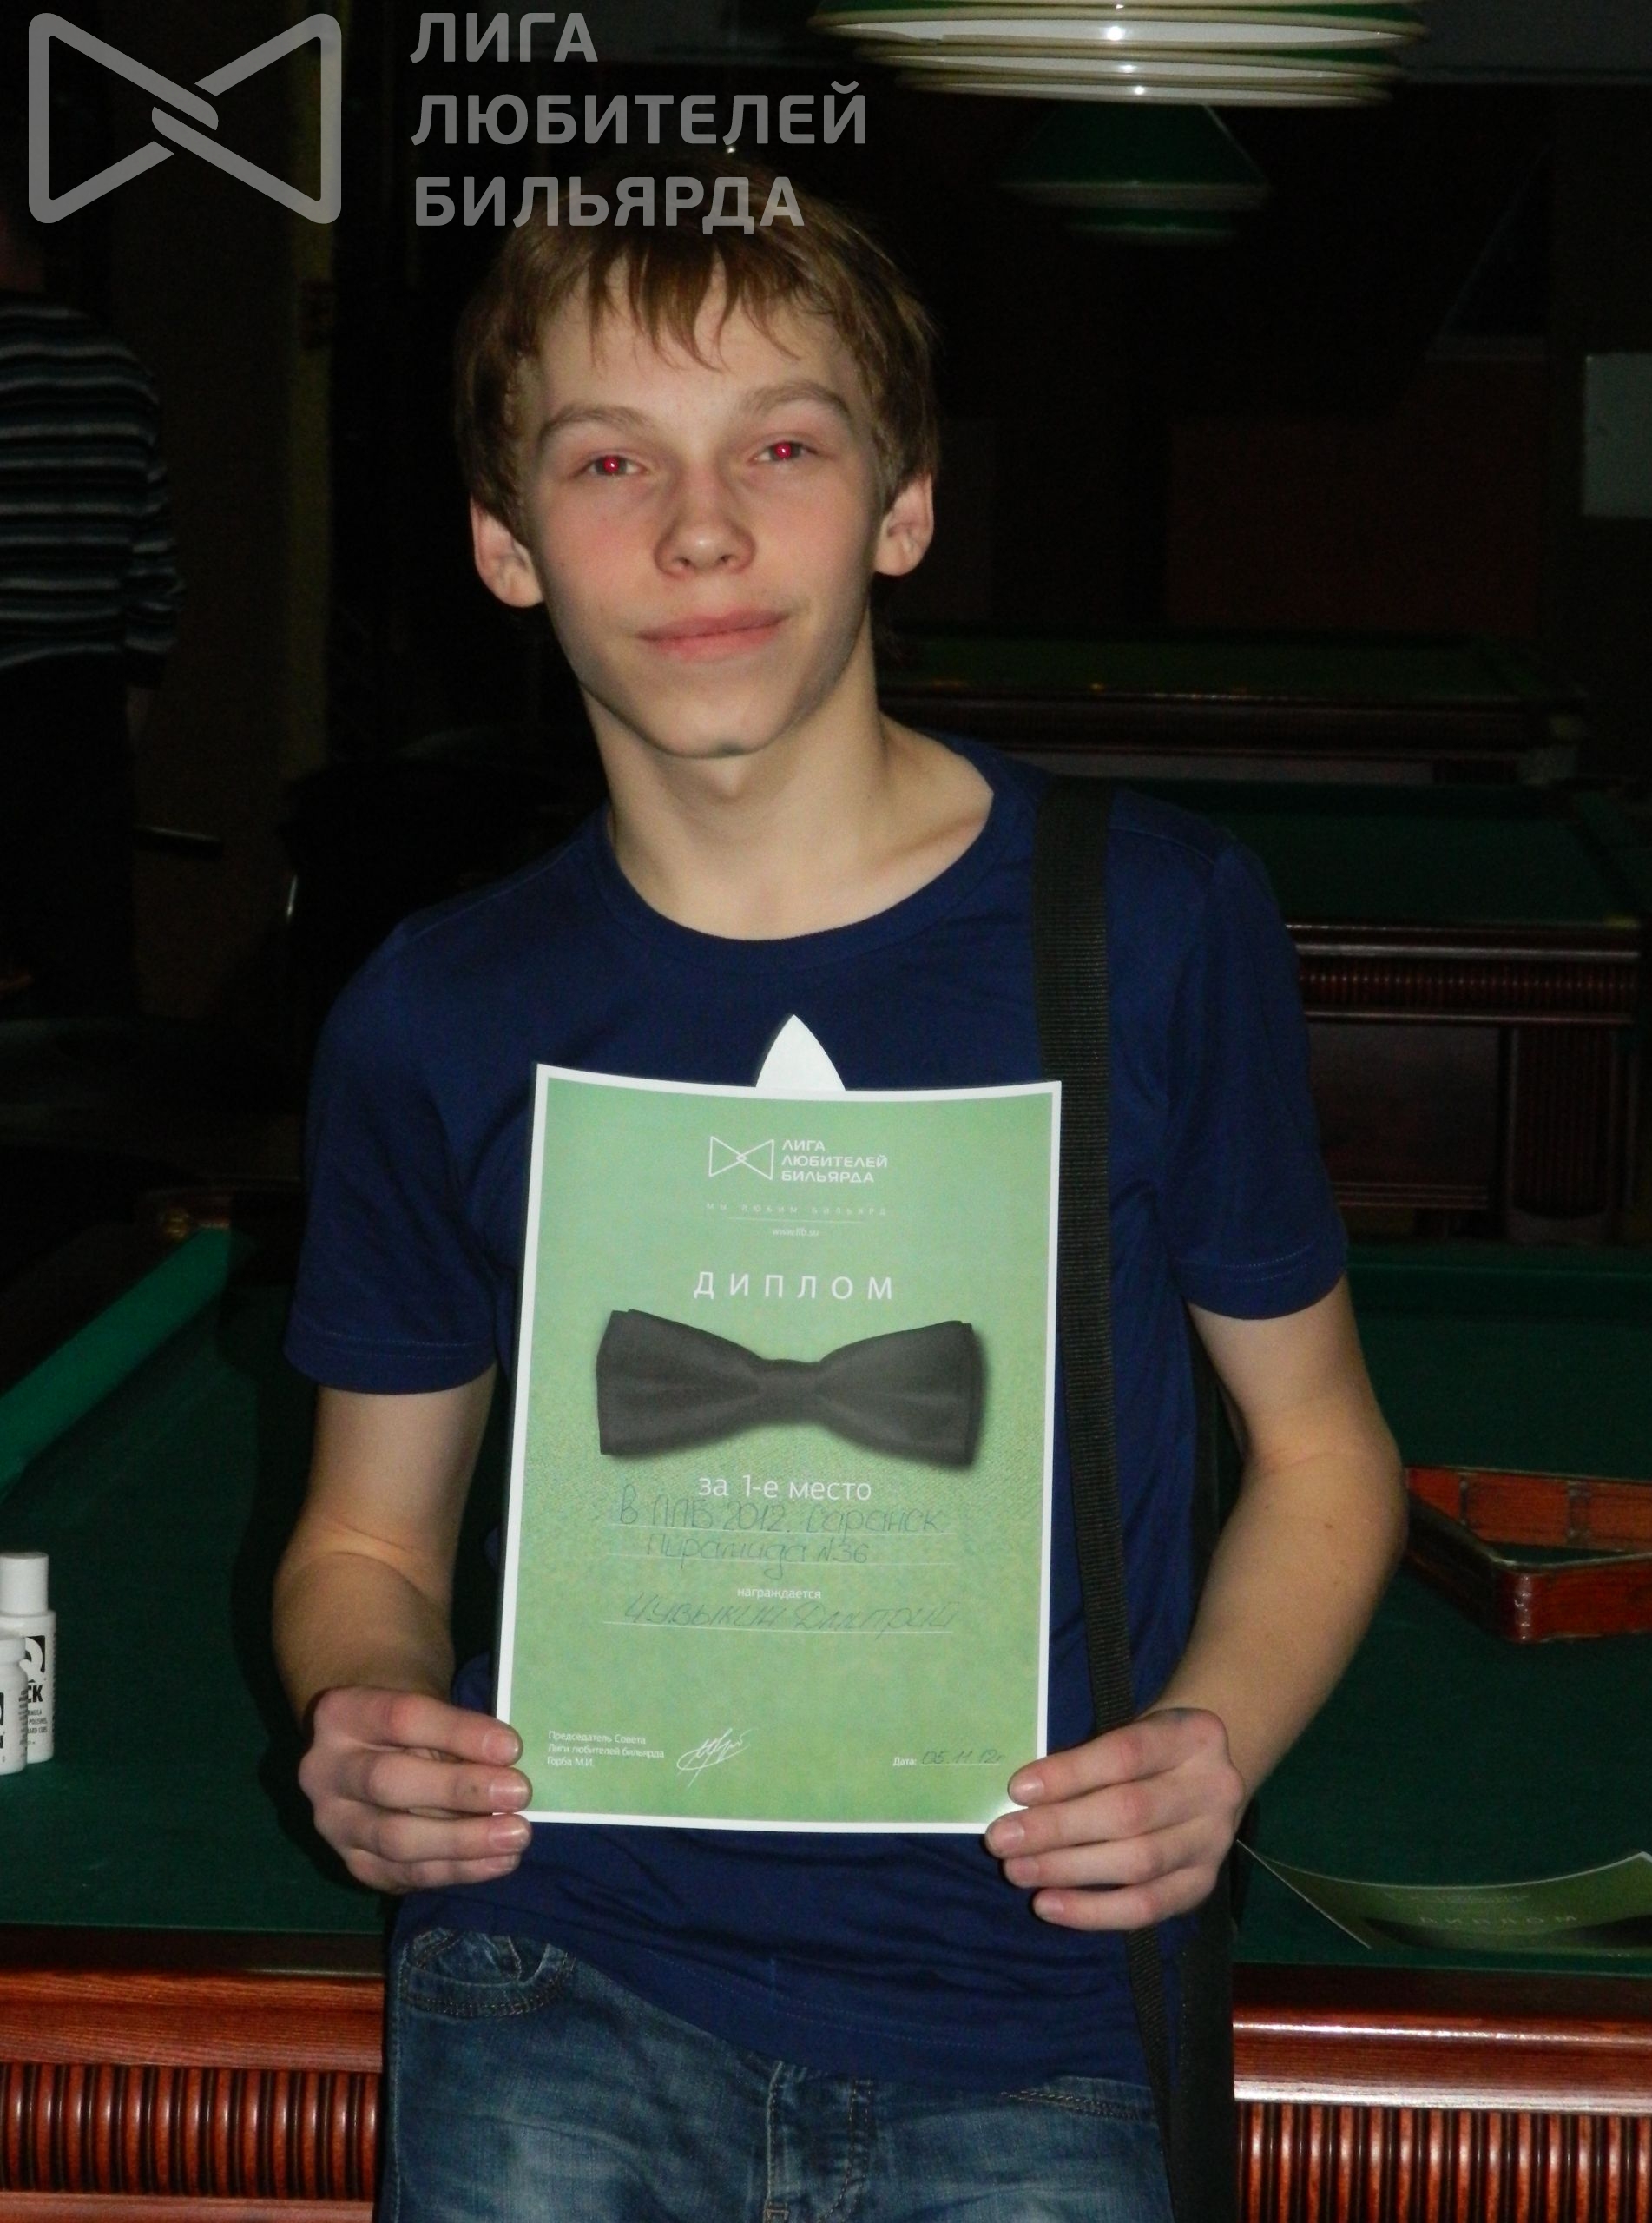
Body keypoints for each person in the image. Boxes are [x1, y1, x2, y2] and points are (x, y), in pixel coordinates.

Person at [273, 152, 1406, 2223]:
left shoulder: (1149, 923)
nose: (701, 524)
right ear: (505, 543)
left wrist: (1215, 1740)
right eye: (608, 458)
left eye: (782, 446)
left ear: (905, 503)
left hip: (1038, 1995)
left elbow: (1326, 1452)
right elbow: (365, 1531)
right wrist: (360, 1707)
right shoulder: (434, 1007)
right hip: (557, 1972)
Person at [0, 130, 183, 1016]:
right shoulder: (119, 371)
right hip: (81, 721)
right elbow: (153, 588)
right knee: (87, 1004)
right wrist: (116, 734)